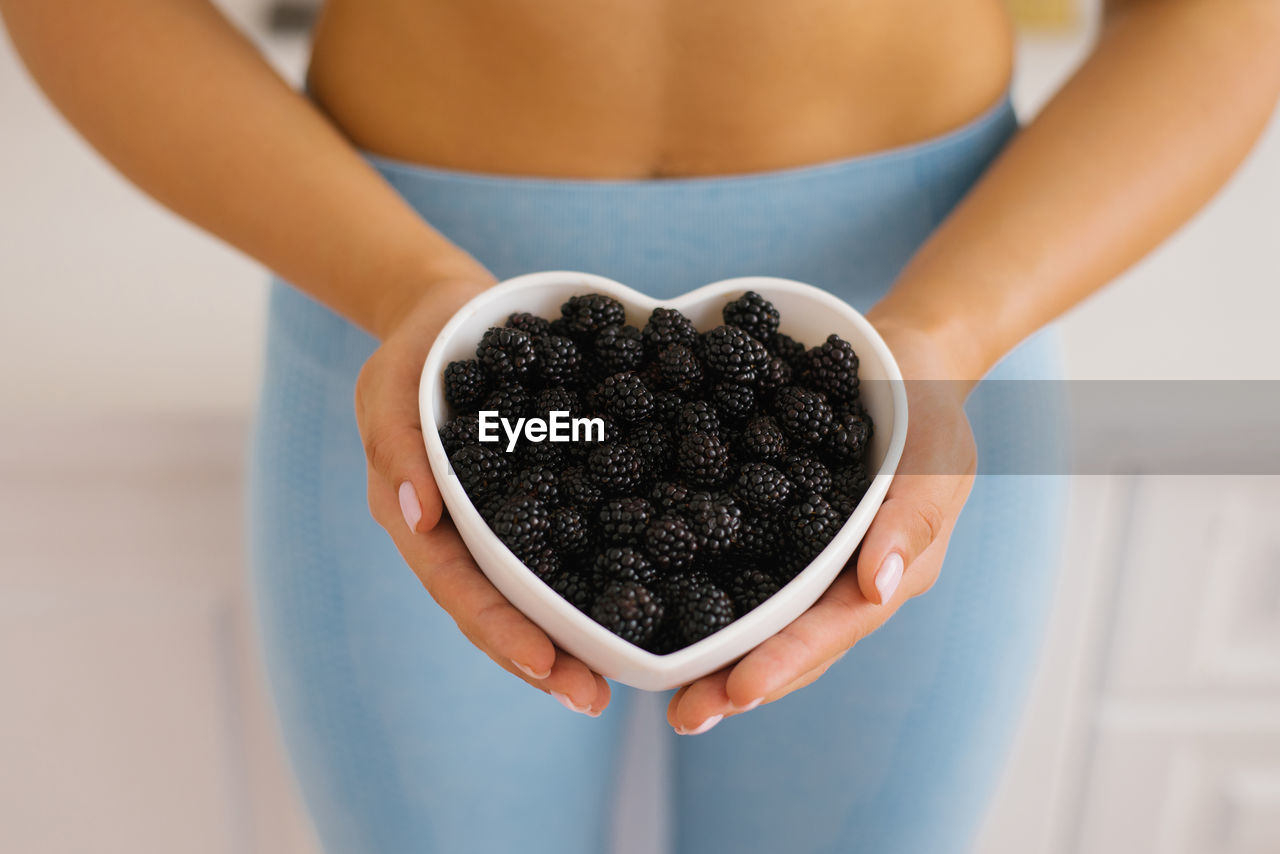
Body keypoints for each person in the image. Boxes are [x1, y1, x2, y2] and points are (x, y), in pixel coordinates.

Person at [5, 1, 1277, 851]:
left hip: (931, 312)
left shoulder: (930, 341)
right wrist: (402, 290)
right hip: (403, 320)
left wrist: (948, 332)